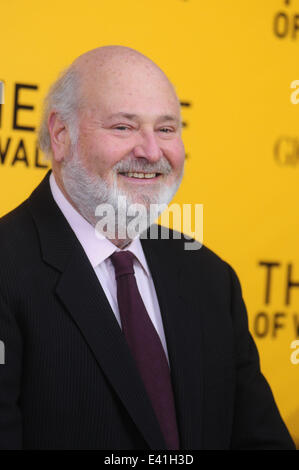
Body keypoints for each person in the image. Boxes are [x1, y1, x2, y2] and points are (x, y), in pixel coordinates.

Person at [0, 46, 295, 450]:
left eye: (167, 129)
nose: (152, 152)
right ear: (61, 133)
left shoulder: (210, 278)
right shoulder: (7, 267)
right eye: (124, 127)